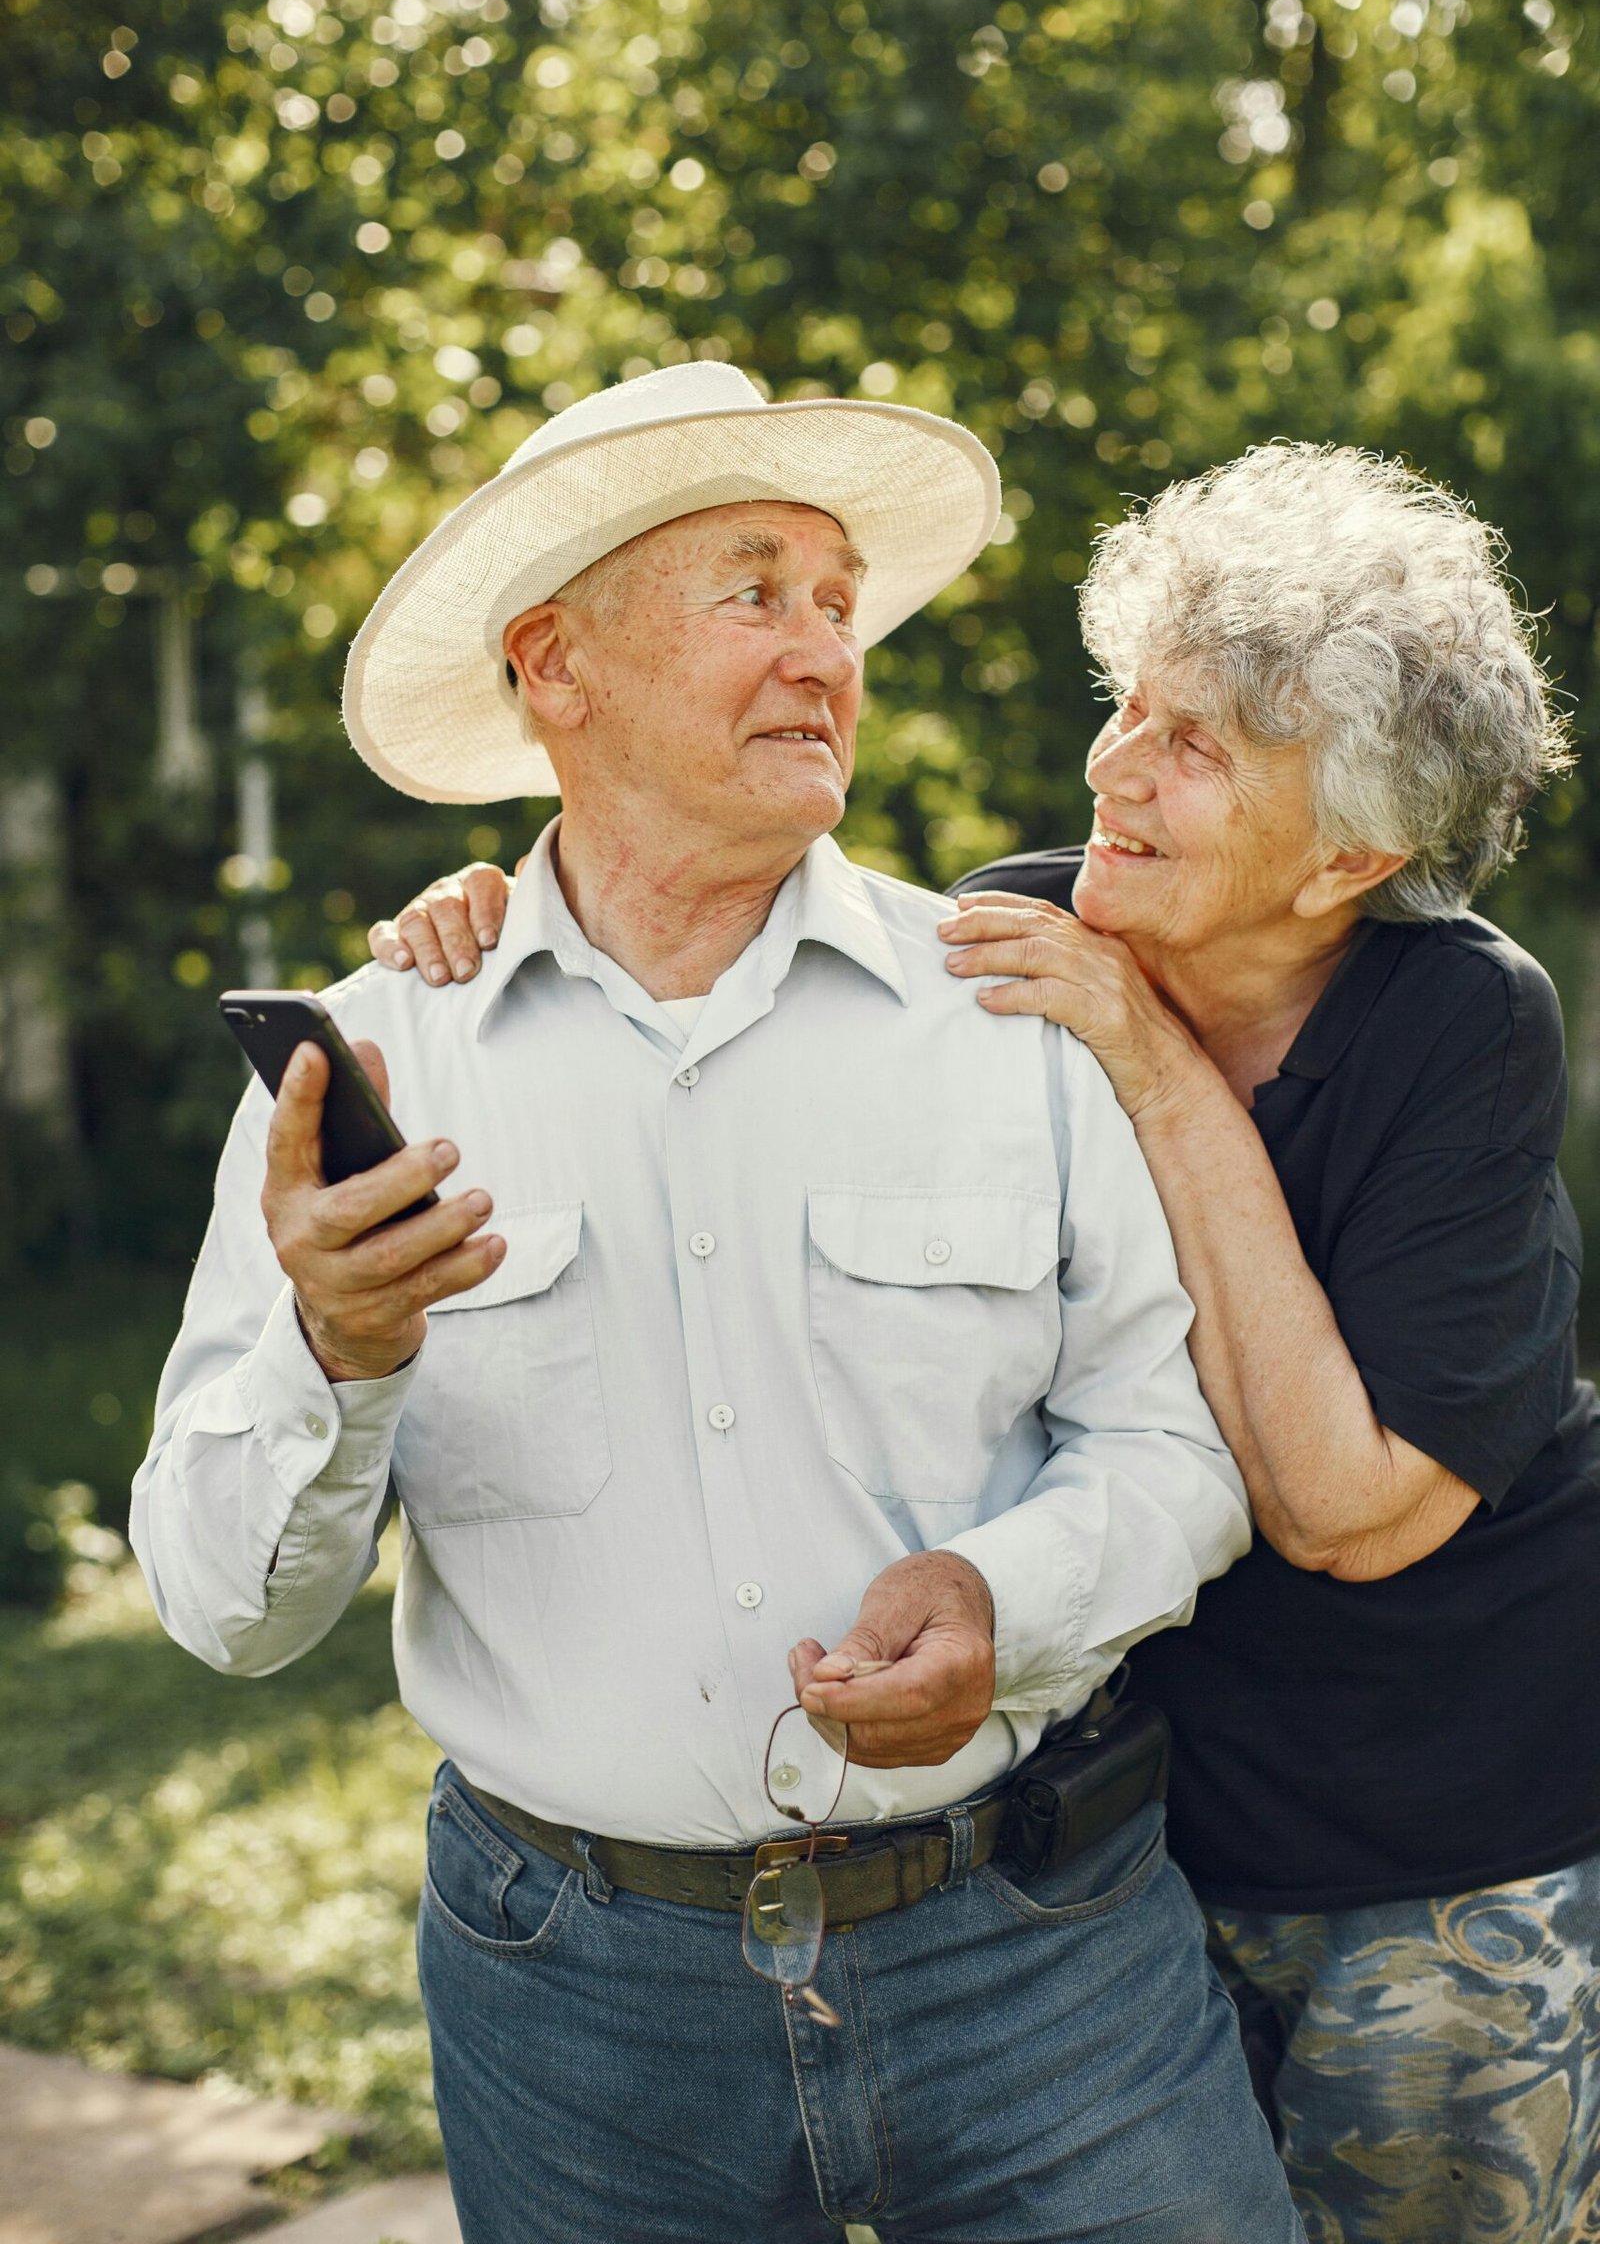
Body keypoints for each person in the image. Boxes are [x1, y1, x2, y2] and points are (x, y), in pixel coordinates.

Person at [133, 364, 1303, 2244]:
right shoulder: (365, 1068)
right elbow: (221, 1613)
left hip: (1039, 1960)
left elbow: (1174, 1446)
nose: (824, 651)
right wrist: (335, 1354)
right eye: (754, 590)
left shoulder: (1014, 1010)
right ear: (555, 667)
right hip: (578, 2012)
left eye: (840, 603)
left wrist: (1008, 1603)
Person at [381, 440, 1600, 2244]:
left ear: (1355, 850)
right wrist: (498, 921)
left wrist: (1153, 1059)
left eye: (1196, 747)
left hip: (1433, 1837)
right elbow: (709, 931)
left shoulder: (1459, 1026)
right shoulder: (1028, 928)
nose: (1113, 766)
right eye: (1130, 707)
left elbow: (1352, 1512)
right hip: (1125, 1833)